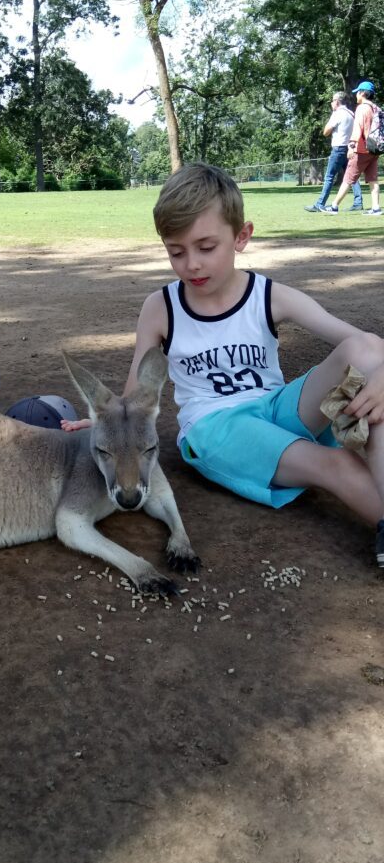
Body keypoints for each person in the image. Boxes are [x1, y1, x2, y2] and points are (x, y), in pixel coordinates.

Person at [63, 162, 384, 568]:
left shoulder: (268, 295)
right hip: (216, 429)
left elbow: (366, 345)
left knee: (368, 364)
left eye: (206, 247)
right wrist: (103, 423)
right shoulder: (161, 307)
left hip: (275, 409)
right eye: (176, 252)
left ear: (241, 237)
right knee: (338, 462)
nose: (191, 264)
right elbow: (134, 395)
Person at [326, 80, 382, 216]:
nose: (356, 94)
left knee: (348, 178)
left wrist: (351, 146)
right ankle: (376, 208)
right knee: (373, 179)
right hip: (375, 148)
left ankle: (334, 206)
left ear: (363, 93)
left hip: (362, 149)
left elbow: (358, 129)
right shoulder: (376, 108)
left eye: (358, 92)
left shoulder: (362, 108)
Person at [304, 91, 363, 212]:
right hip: (350, 148)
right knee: (352, 176)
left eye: (332, 101)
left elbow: (326, 132)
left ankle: (320, 204)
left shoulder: (337, 113)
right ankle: (358, 202)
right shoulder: (351, 113)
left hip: (338, 149)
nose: (331, 103)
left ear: (337, 101)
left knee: (329, 176)